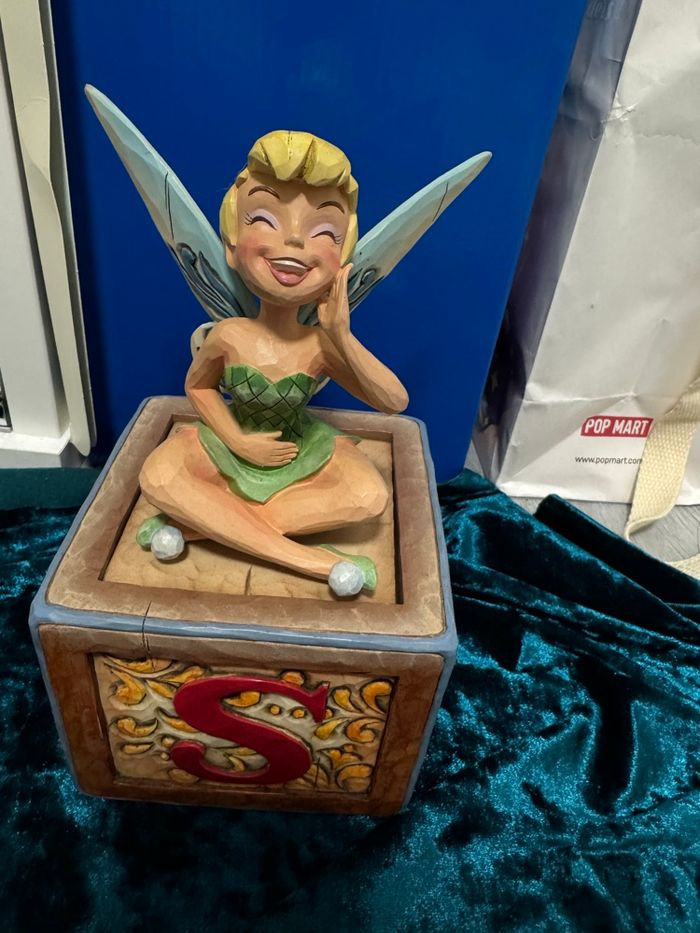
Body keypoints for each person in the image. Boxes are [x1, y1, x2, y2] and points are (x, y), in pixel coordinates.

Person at [139, 131, 408, 597]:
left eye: (324, 232)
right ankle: (316, 563)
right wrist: (238, 441)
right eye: (264, 219)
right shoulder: (229, 335)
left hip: (300, 450)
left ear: (341, 262)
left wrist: (342, 335)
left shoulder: (321, 346)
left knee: (369, 495)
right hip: (229, 445)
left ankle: (203, 527)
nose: (294, 239)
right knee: (158, 475)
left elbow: (393, 402)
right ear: (231, 245)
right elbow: (198, 388)